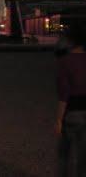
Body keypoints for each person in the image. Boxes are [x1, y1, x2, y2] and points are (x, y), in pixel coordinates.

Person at [56, 20, 86, 176]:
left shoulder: (65, 61)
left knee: (64, 154)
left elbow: (64, 94)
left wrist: (59, 119)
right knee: (83, 156)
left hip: (72, 112)